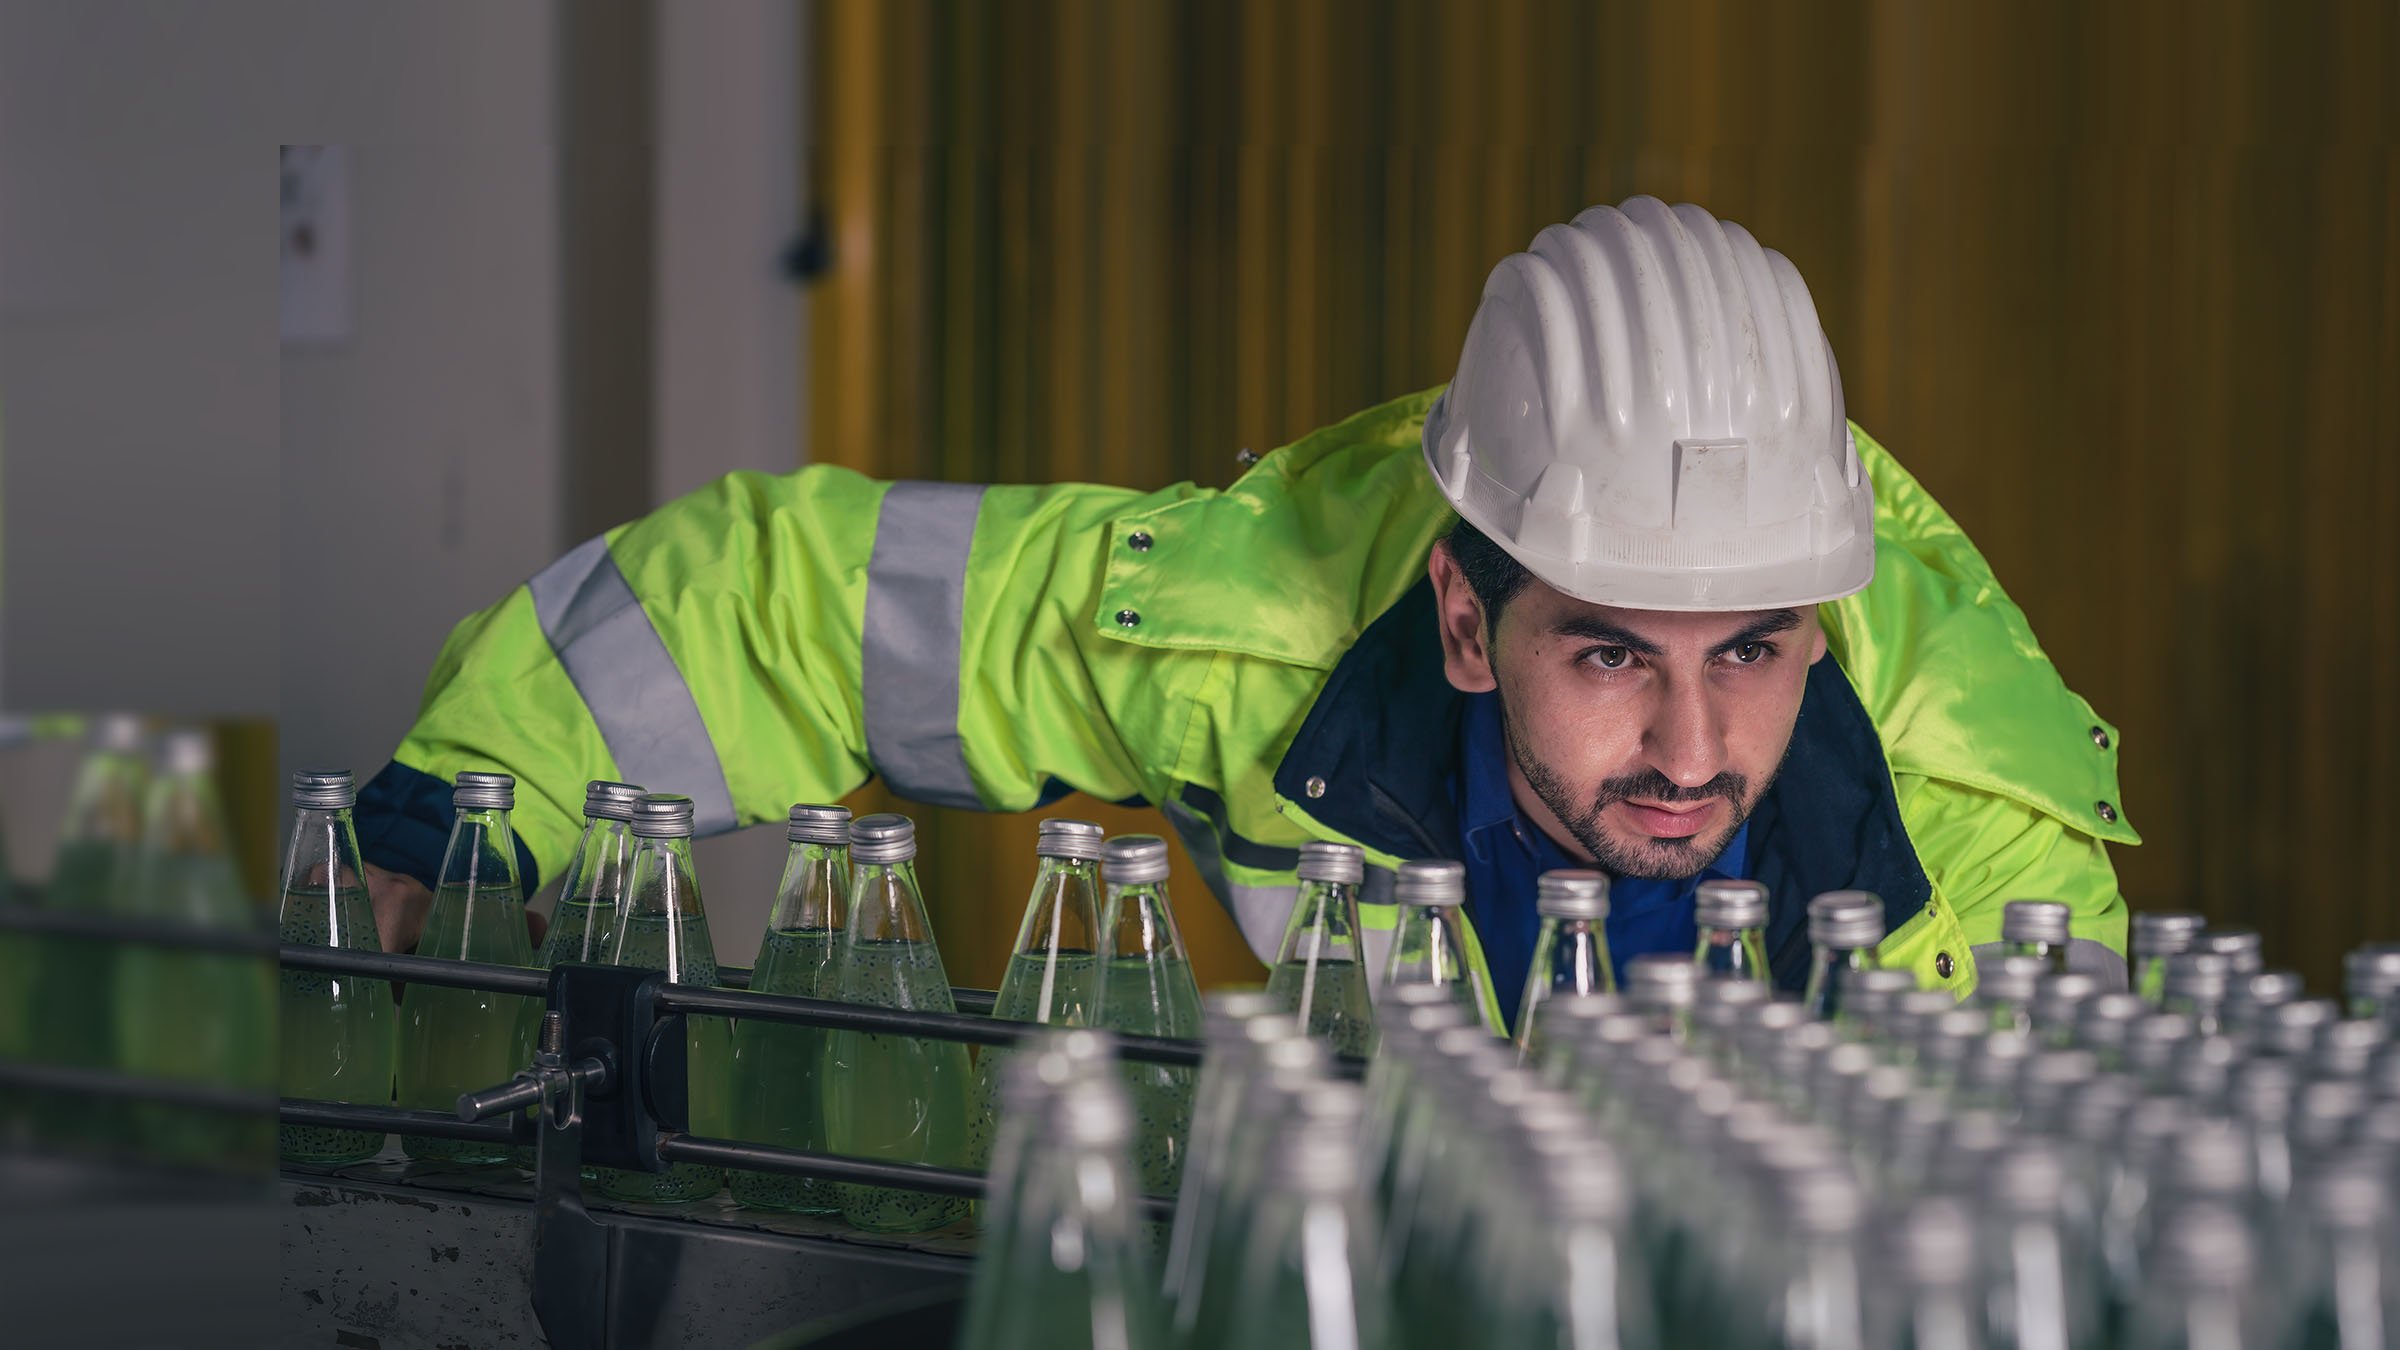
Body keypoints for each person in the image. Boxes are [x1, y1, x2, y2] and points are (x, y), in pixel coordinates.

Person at [353, 196, 2135, 1029]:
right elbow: (787, 603)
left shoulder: (1997, 865)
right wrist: (469, 810)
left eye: (1750, 649)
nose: (1689, 750)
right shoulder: (1245, 637)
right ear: (1461, 615)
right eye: (1608, 650)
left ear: (1817, 618)